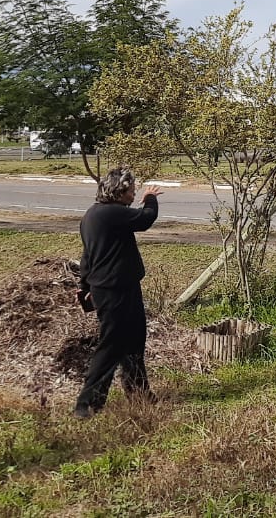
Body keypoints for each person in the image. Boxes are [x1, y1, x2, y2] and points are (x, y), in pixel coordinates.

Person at [73, 167, 163, 419]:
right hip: (113, 290)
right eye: (132, 191)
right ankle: (87, 405)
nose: (134, 195)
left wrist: (84, 286)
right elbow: (145, 220)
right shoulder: (111, 213)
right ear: (119, 191)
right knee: (111, 345)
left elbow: (88, 256)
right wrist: (150, 198)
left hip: (119, 287)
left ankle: (139, 394)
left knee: (134, 340)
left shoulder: (92, 215)